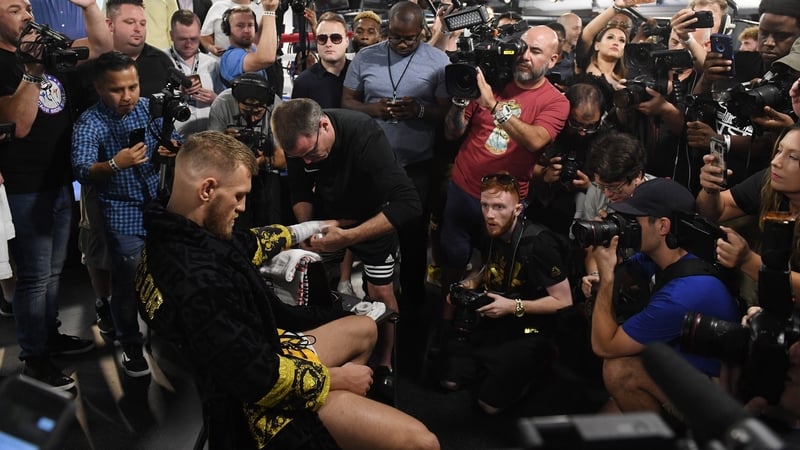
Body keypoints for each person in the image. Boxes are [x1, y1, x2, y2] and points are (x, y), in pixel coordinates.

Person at [135, 130, 439, 450]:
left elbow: (246, 245)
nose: (242, 208)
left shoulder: (169, 237)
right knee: (423, 443)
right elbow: (255, 378)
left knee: (364, 329)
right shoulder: (197, 284)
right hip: (253, 408)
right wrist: (334, 379)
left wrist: (308, 228)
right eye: (238, 196)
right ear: (207, 189)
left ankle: (344, 422)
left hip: (248, 356)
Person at [270, 98, 422, 401]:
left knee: (381, 293)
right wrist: (306, 228)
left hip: (372, 219)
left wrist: (349, 236)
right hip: (329, 217)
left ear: (324, 125)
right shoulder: (300, 144)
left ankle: (385, 364)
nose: (308, 162)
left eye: (311, 153)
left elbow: (409, 204)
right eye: (300, 158)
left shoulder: (365, 135)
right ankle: (331, 348)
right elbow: (300, 189)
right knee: (307, 278)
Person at [0, 0, 112, 390]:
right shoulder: (6, 63)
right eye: (15, 9)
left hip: (59, 179)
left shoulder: (43, 47)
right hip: (24, 186)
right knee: (33, 276)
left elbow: (100, 46)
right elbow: (19, 124)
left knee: (51, 273)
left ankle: (48, 337)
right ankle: (35, 358)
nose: (28, 15)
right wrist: (32, 72)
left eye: (28, 7)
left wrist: (88, 5)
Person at [439, 25, 569, 311]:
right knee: (452, 261)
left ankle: (484, 327)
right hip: (463, 189)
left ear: (553, 60)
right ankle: (444, 323)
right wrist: (460, 102)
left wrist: (493, 105)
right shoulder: (493, 80)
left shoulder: (556, 102)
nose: (525, 56)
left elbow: (536, 141)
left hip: (505, 202)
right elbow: (453, 132)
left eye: (536, 52)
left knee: (494, 270)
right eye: (522, 48)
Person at [342, 1, 450, 330]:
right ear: (387, 30)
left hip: (416, 163)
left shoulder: (438, 60)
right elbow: (346, 102)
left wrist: (418, 111)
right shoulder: (365, 57)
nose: (403, 44)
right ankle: (371, 297)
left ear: (423, 31)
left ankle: (414, 301)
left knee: (414, 235)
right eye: (397, 38)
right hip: (372, 163)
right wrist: (375, 110)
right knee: (368, 229)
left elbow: (446, 112)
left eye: (411, 38)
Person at [72, 51, 181, 378]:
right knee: (127, 283)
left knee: (168, 274)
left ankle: (167, 334)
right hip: (120, 211)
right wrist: (115, 163)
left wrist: (171, 147)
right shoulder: (90, 122)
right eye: (118, 89)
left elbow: (175, 140)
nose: (128, 96)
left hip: (159, 205)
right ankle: (132, 348)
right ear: (99, 88)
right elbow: (81, 169)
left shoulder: (149, 108)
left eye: (133, 87)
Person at [591, 178, 740, 412]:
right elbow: (631, 271)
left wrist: (607, 276)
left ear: (663, 226)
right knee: (602, 424)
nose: (627, 226)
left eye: (633, 220)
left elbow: (604, 346)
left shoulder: (684, 293)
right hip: (680, 364)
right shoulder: (670, 254)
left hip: (716, 390)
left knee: (618, 370)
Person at [438, 172, 573, 414]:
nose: (490, 214)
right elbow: (483, 268)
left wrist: (514, 307)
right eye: (485, 205)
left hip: (530, 326)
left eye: (499, 207)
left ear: (518, 209)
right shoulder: (489, 229)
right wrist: (466, 286)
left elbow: (564, 301)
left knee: (489, 405)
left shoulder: (540, 244)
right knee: (449, 380)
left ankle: (541, 362)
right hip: (495, 317)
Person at [290, 11, 355, 295]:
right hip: (318, 169)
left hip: (355, 165)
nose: (329, 43)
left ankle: (345, 280)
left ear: (347, 41)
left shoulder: (359, 74)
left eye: (336, 37)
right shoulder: (305, 82)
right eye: (322, 38)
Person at [696, 124, 800, 295]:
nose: (775, 162)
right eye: (779, 151)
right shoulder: (769, 182)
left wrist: (748, 261)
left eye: (793, 157)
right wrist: (710, 190)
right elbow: (715, 212)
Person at [579, 131, 655, 299]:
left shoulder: (659, 200)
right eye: (601, 186)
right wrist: (595, 275)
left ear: (638, 176)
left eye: (614, 187)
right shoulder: (596, 192)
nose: (607, 194)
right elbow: (592, 246)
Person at [209, 71, 285, 226]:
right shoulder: (222, 103)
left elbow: (282, 160)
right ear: (236, 101)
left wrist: (260, 161)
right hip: (229, 170)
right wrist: (223, 142)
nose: (252, 118)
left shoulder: (277, 106)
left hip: (266, 171)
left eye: (258, 113)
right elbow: (210, 154)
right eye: (246, 111)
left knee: (270, 216)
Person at [166, 9, 224, 137]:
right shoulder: (161, 61)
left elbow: (224, 101)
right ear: (171, 35)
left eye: (193, 38)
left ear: (200, 34)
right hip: (174, 139)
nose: (188, 44)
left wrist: (214, 99)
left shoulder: (212, 63)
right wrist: (178, 92)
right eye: (182, 39)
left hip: (208, 137)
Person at [106, 0, 175, 97]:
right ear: (110, 25)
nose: (138, 29)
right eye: (130, 22)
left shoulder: (163, 62)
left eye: (142, 24)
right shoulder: (95, 63)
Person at [218, 1, 278, 85]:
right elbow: (266, 58)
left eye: (250, 25)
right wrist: (269, 12)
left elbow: (259, 37)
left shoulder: (252, 48)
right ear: (227, 29)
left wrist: (269, 7)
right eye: (240, 26)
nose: (247, 30)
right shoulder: (231, 57)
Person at [584, 25, 627, 90]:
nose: (616, 43)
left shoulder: (624, 79)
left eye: (622, 40)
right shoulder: (589, 77)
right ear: (597, 46)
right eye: (610, 37)